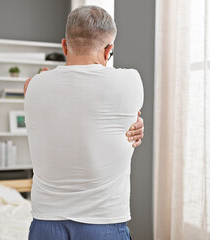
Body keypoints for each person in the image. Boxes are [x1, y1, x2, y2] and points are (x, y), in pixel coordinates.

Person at [24, 5, 144, 240]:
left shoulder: (33, 86)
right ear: (109, 50)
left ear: (64, 46)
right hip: (104, 222)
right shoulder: (131, 82)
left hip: (46, 223)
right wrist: (137, 123)